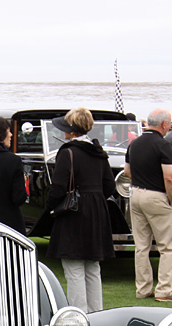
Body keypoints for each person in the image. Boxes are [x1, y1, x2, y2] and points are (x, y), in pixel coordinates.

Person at [44, 108, 116, 312]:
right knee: (93, 267)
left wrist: (49, 208)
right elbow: (109, 185)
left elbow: (58, 187)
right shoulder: (99, 152)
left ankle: (79, 315)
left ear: (71, 130)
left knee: (74, 268)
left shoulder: (67, 153)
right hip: (96, 210)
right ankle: (97, 314)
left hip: (74, 211)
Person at [125, 108, 172, 302]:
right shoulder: (163, 145)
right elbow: (169, 177)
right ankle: (164, 290)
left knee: (141, 245)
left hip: (136, 194)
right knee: (168, 245)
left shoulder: (134, 143)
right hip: (157, 195)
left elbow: (127, 171)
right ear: (164, 124)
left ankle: (142, 289)